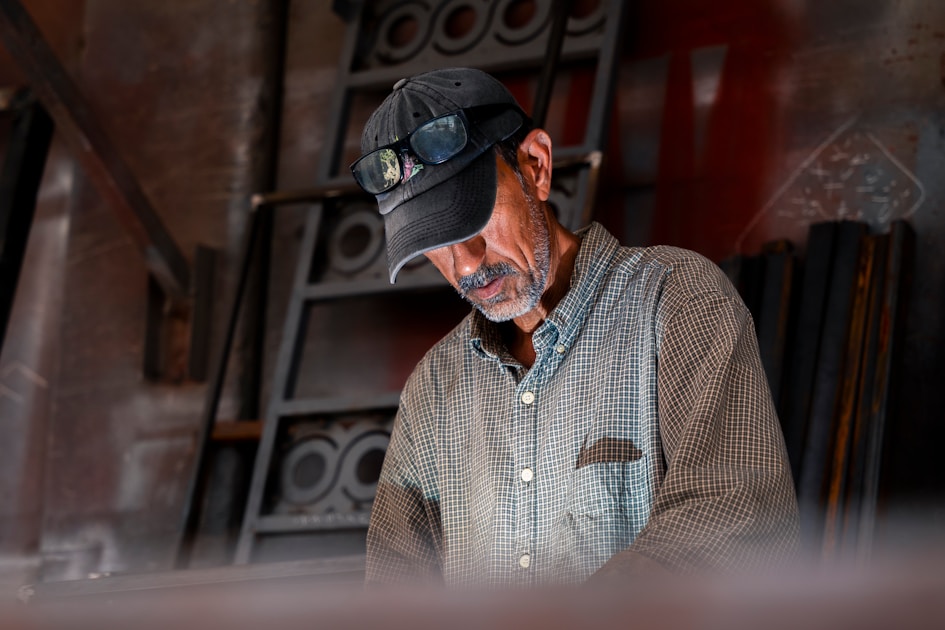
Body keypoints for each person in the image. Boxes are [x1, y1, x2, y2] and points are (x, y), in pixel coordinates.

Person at [350, 67, 800, 586]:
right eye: (432, 244)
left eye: (472, 222)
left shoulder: (675, 300)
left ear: (536, 167)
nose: (466, 265)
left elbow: (737, 518)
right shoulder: (435, 388)